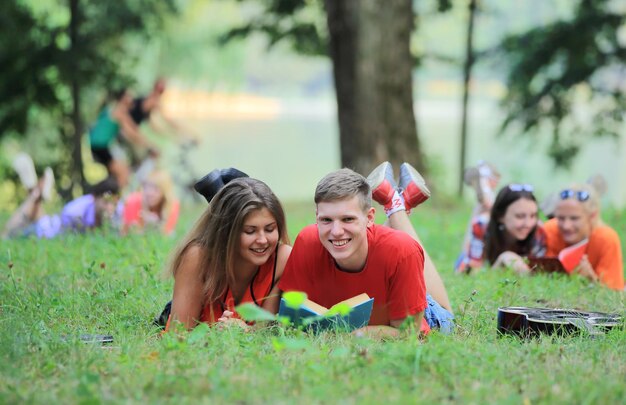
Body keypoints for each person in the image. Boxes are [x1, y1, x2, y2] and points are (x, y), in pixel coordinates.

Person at [278, 162, 453, 338]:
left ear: (370, 218)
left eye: (347, 219)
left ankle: (396, 207)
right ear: (316, 217)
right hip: (386, 280)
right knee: (384, 246)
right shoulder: (307, 241)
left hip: (413, 308)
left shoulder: (403, 251)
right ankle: (398, 202)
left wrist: (360, 334)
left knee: (444, 312)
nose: (336, 231)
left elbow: (408, 334)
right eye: (326, 220)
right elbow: (292, 313)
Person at [164, 175, 292, 330]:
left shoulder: (282, 259)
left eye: (270, 229)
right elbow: (178, 334)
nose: (263, 240)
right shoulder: (197, 257)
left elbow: (263, 331)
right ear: (226, 232)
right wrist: (217, 335)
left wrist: (243, 331)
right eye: (250, 231)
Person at [543, 184, 624, 290]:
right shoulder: (549, 230)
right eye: (561, 218)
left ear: (592, 216)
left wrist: (591, 279)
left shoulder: (607, 239)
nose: (566, 226)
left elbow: (614, 293)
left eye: (574, 218)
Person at [455, 184, 546, 274]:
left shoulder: (538, 230)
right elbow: (472, 271)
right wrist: (502, 261)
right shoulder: (481, 225)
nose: (528, 223)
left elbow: (536, 273)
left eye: (533, 215)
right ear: (500, 216)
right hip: (475, 258)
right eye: (520, 216)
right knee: (463, 257)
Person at [2, 174, 119, 239]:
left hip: (50, 226)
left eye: (112, 203)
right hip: (45, 230)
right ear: (94, 197)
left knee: (33, 214)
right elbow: (67, 215)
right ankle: (35, 194)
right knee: (13, 234)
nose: (109, 207)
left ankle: (36, 195)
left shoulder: (116, 211)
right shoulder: (78, 211)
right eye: (105, 202)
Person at [89, 88, 159, 189]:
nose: (132, 99)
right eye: (129, 96)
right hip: (101, 146)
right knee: (123, 175)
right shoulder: (119, 112)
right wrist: (151, 145)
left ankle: (110, 196)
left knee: (118, 174)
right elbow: (132, 133)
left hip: (97, 145)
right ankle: (117, 201)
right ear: (123, 99)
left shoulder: (112, 108)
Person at [118, 169, 180, 236]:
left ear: (164, 191)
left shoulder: (172, 204)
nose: (149, 192)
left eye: (156, 188)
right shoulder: (133, 201)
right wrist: (147, 225)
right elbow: (128, 234)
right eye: (147, 187)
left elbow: (166, 232)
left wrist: (155, 224)